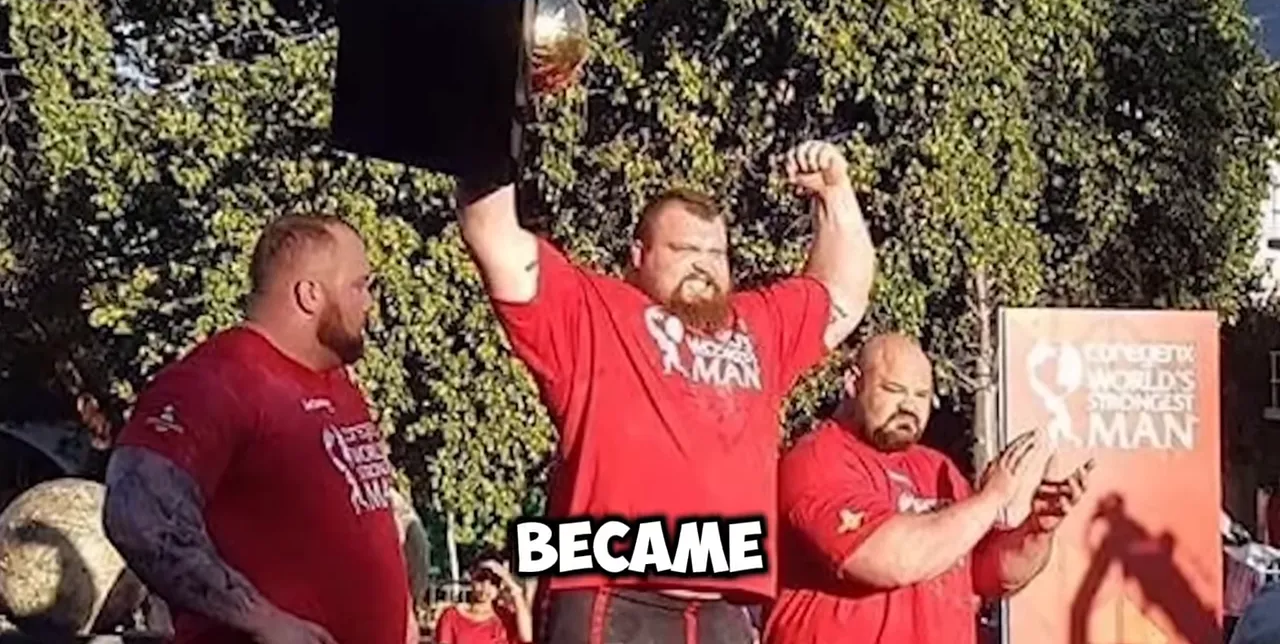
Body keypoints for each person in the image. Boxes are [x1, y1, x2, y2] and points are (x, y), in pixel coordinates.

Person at [456, 140, 876, 643]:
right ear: (639, 254)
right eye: (684, 250)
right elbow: (492, 232)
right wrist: (490, 97)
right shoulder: (594, 312)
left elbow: (844, 296)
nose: (703, 265)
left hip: (724, 604)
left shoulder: (758, 326)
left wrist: (836, 193)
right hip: (614, 596)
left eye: (715, 253)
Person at [102, 214, 416, 644]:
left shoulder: (338, 382)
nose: (370, 304)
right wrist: (262, 620)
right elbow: (137, 514)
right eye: (360, 286)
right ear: (309, 294)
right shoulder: (218, 378)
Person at [764, 333, 1092, 644]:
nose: (909, 406)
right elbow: (890, 559)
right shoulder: (817, 459)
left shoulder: (938, 468)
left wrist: (1036, 530)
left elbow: (989, 573)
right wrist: (991, 498)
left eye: (921, 395)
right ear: (853, 383)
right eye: (894, 389)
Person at [435, 556, 533, 644]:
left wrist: (511, 583)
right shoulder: (452, 616)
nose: (485, 587)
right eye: (480, 580)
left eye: (493, 582)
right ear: (472, 580)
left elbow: (526, 637)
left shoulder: (505, 617)